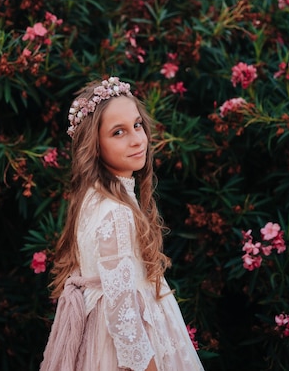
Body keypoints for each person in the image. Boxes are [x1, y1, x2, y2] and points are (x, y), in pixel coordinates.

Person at [40, 77, 204, 371]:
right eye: (119, 132)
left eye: (137, 125)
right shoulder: (114, 211)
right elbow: (123, 316)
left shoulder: (92, 198)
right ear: (95, 145)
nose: (136, 139)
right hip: (128, 351)